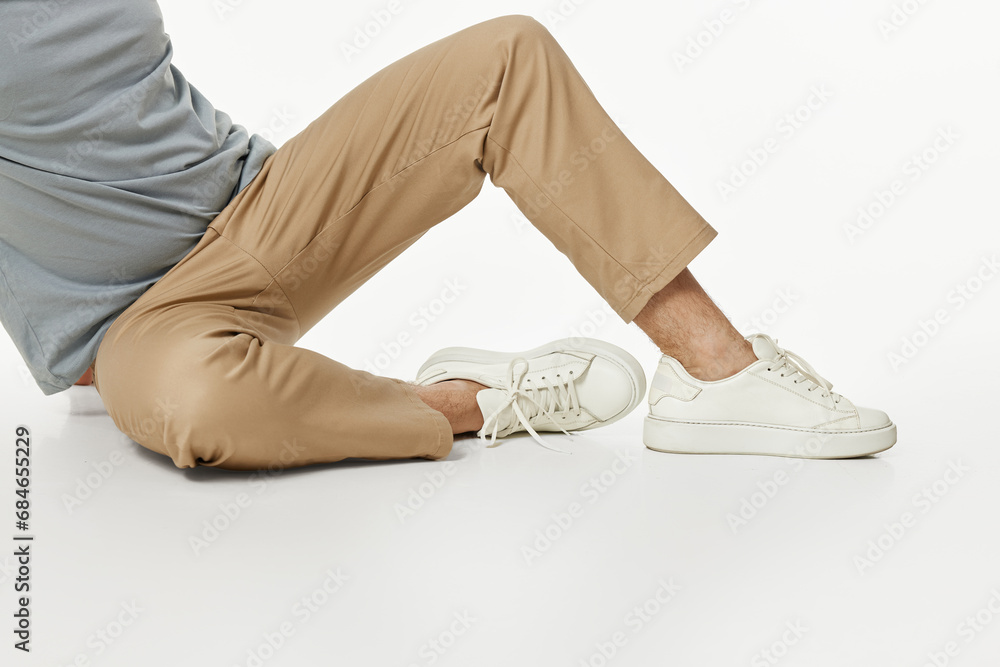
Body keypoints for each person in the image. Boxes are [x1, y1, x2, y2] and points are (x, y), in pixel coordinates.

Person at [0, 2, 895, 471]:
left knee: (506, 55)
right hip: (138, 333)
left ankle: (717, 373)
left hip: (261, 207)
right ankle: (477, 402)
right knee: (195, 401)